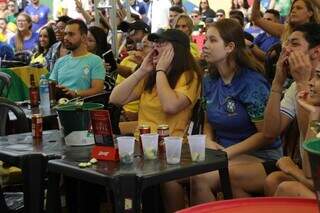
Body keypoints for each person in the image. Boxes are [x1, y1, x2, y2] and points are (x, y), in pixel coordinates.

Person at [190, 19, 282, 206]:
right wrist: (208, 140)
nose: (205, 45)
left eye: (212, 40)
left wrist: (227, 153)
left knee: (199, 179)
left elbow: (266, 135)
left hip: (261, 155)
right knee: (182, 177)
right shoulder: (209, 80)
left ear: (230, 47)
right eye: (205, 40)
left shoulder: (251, 83)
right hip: (223, 152)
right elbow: (208, 122)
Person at [225, 22, 320, 198]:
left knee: (286, 188)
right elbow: (270, 132)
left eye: (295, 44)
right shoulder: (294, 88)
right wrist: (277, 83)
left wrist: (302, 84)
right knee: (272, 180)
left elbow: (312, 152)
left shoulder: (312, 88)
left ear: (316, 52)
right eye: (286, 43)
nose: (286, 49)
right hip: (307, 170)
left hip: (312, 169)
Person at [110, 28, 201, 136]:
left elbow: (170, 107)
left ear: (177, 49)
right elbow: (115, 99)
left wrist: (160, 70)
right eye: (155, 43)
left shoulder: (189, 76)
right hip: (142, 142)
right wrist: (141, 71)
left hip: (170, 145)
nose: (155, 46)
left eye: (161, 43)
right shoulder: (151, 76)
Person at [49, 19, 105, 98]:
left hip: (83, 108)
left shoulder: (96, 61)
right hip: (60, 106)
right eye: (65, 34)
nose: (66, 38)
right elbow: (51, 86)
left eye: (71, 34)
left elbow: (97, 89)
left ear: (83, 37)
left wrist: (74, 93)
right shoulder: (60, 61)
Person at [252, 0, 320, 41]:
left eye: (299, 8)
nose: (293, 10)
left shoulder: (317, 31)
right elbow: (257, 19)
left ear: (310, 13)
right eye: (292, 8)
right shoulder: (286, 31)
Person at [87, 26, 117, 93]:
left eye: (90, 40)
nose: (86, 42)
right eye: (84, 39)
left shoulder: (105, 59)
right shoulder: (80, 56)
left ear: (99, 42)